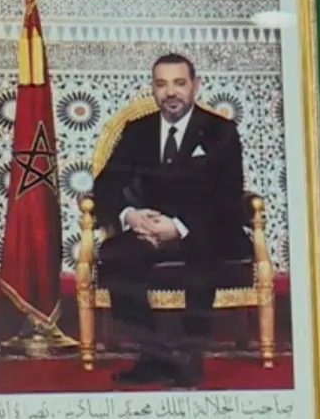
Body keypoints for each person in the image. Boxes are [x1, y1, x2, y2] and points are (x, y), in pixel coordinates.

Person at [92, 53, 248, 387]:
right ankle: (155, 356)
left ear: (195, 86)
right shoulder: (138, 131)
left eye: (179, 83)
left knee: (202, 252)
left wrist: (178, 227)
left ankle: (189, 359)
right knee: (115, 256)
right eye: (161, 84)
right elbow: (105, 186)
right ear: (153, 88)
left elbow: (228, 197)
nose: (171, 92)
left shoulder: (220, 131)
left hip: (204, 229)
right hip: (148, 230)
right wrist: (131, 216)